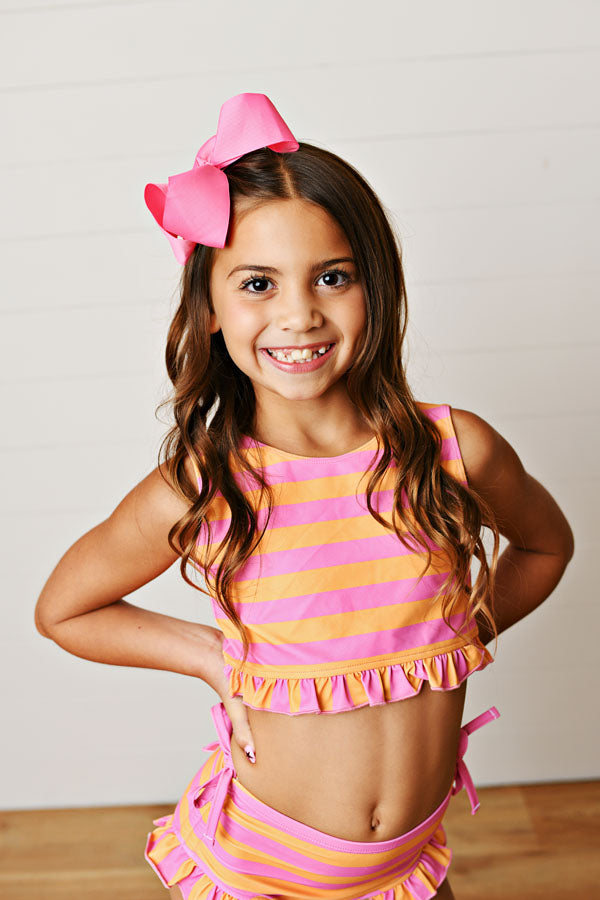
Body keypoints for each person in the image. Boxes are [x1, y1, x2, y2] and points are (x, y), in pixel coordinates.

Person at [34, 93, 574, 900]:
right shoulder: (205, 486)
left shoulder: (454, 451)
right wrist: (212, 658)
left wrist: (459, 626)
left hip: (407, 867)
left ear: (375, 286)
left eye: (332, 277)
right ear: (208, 310)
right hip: (264, 871)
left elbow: (546, 546)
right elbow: (64, 610)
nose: (299, 314)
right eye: (258, 283)